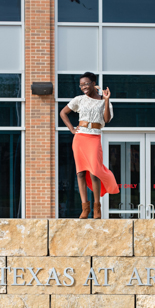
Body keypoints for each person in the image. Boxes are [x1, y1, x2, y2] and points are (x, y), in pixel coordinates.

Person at [59, 72, 120, 218]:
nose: (83, 87)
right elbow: (63, 113)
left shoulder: (104, 100)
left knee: (94, 172)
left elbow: (107, 119)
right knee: (80, 172)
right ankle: (85, 208)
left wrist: (106, 100)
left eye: (86, 84)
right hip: (80, 138)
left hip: (94, 137)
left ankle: (97, 207)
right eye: (81, 85)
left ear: (93, 83)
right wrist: (72, 129)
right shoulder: (79, 99)